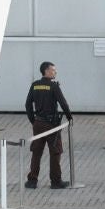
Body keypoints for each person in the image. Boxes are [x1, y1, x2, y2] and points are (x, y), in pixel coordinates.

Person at [24, 61, 72, 189]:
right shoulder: (53, 86)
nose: (55, 72)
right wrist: (69, 117)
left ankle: (32, 181)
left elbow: (28, 104)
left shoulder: (35, 85)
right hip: (52, 125)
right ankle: (56, 181)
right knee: (55, 152)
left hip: (38, 123)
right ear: (46, 71)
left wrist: (33, 120)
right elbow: (63, 103)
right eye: (53, 70)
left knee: (36, 152)